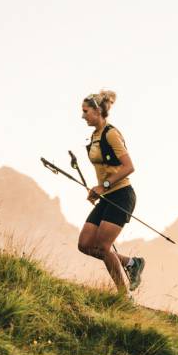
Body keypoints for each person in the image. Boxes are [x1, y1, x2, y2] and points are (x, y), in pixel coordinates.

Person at [77, 90, 145, 294]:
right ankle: (132, 263)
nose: (82, 116)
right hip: (107, 195)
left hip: (122, 195)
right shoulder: (95, 135)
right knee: (85, 244)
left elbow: (128, 167)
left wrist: (103, 186)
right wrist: (97, 190)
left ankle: (123, 297)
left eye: (85, 111)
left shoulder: (111, 133)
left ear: (97, 111)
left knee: (102, 246)